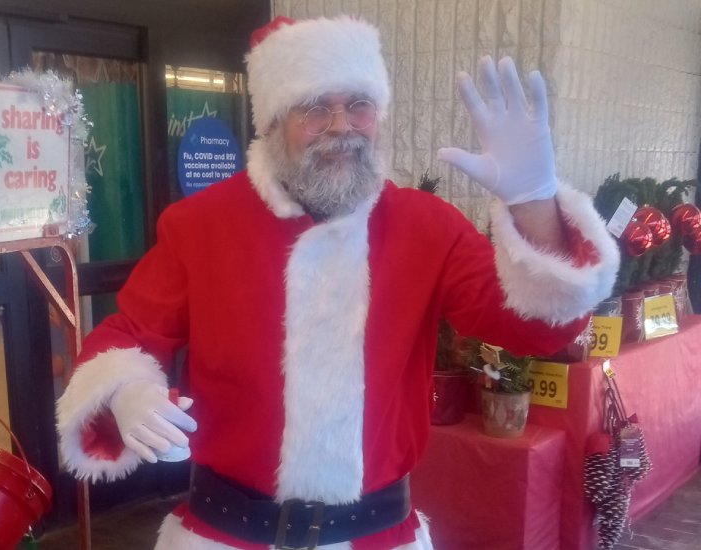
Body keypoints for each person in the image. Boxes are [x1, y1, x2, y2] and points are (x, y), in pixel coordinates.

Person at [56, 15, 619, 550]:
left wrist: (534, 204)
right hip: (223, 534)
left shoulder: (427, 225)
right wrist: (125, 389)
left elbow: (533, 329)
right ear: (273, 122)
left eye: (358, 104)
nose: (341, 125)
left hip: (376, 535)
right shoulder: (200, 225)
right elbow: (129, 331)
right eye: (313, 107)